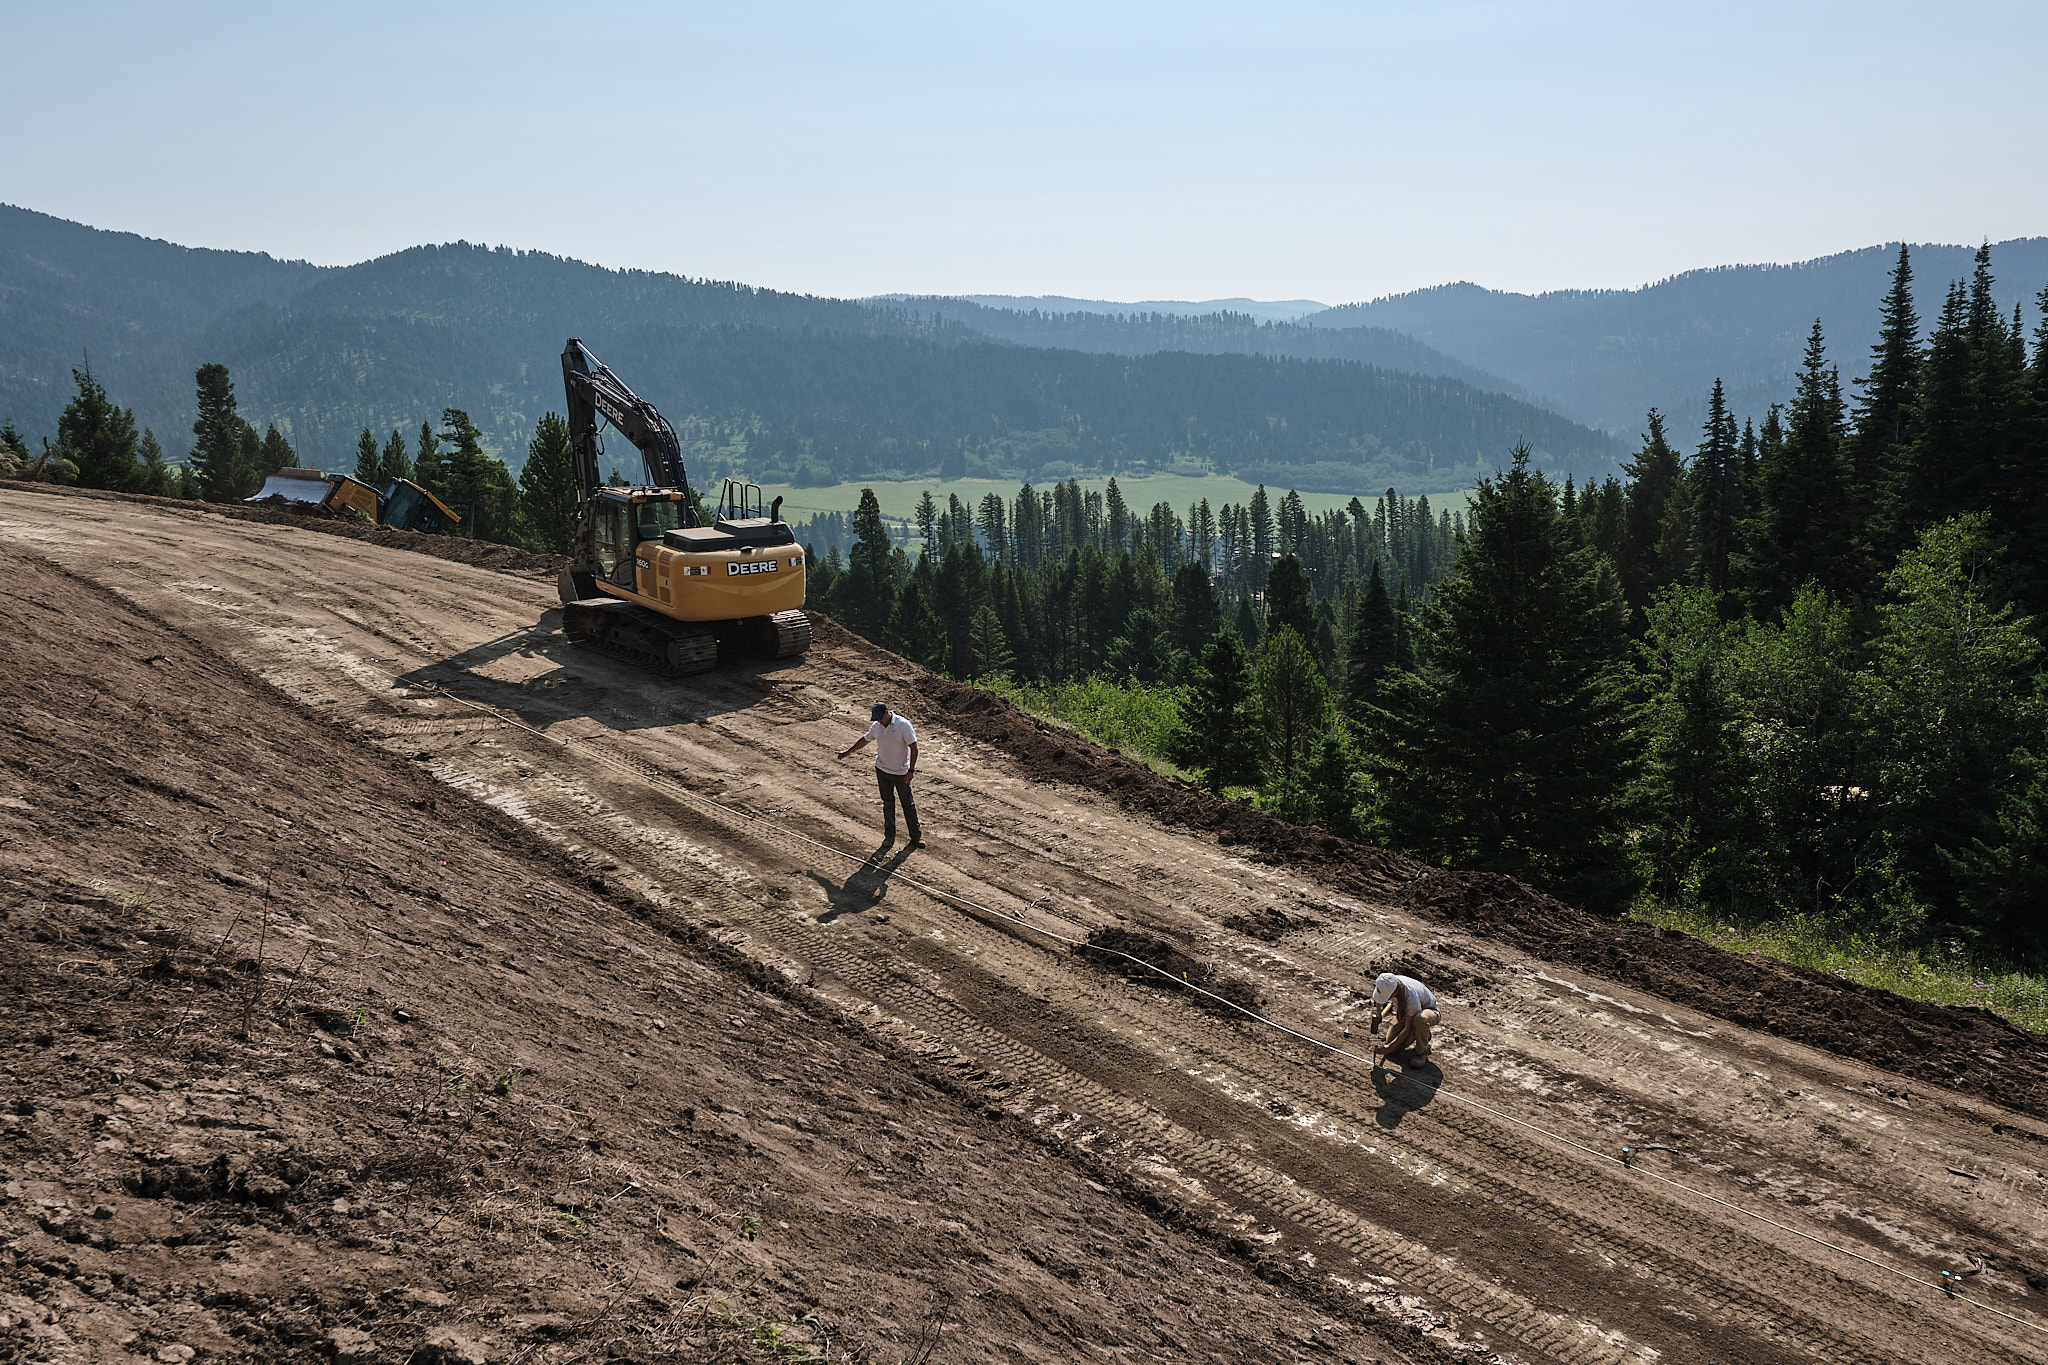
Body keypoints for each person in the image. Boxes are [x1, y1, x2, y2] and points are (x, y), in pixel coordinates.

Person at [838, 702, 922, 848]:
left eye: (880, 717)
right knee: (888, 804)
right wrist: (847, 752)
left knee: (908, 805)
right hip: (882, 771)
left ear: (887, 712)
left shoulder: (903, 725)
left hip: (901, 774)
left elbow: (914, 748)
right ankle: (889, 837)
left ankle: (916, 837)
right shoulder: (876, 726)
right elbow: (864, 740)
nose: (878, 721)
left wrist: (911, 771)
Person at [1369, 972, 1439, 1066]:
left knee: (1419, 1020)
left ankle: (1421, 1053)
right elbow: (1379, 997)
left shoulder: (1410, 998)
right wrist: (1378, 1013)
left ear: (1393, 993)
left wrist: (1388, 1047)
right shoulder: (1386, 982)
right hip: (1408, 1012)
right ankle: (1422, 1034)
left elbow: (1407, 1028)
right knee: (1392, 1050)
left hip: (1429, 1011)